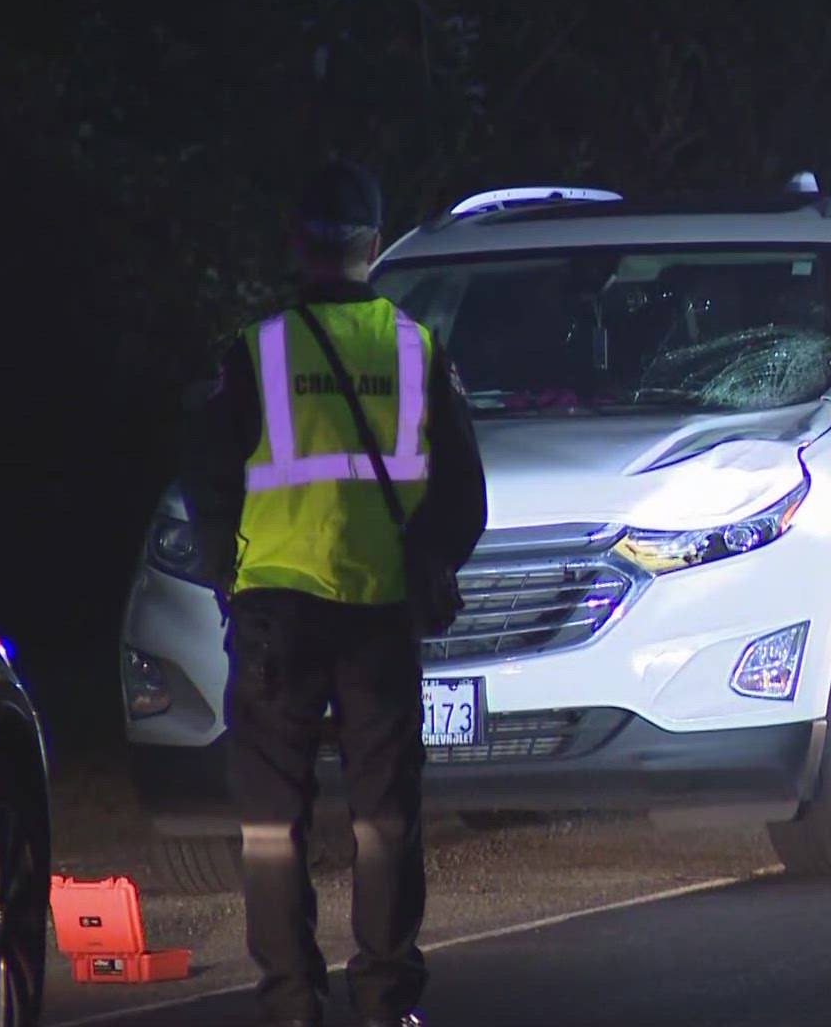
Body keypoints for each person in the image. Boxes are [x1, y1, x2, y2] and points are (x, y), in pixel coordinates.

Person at [181, 160, 487, 1027]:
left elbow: (206, 482)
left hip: (275, 611)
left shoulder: (254, 350)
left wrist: (227, 583)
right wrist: (427, 568)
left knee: (273, 826)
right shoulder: (416, 348)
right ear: (374, 248)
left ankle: (289, 1007)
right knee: (385, 818)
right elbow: (465, 497)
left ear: (296, 245)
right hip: (378, 616)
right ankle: (385, 1003)